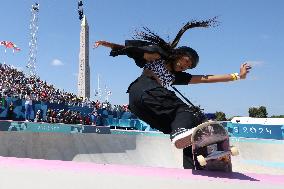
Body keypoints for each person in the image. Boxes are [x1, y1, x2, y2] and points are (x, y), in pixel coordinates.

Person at [94, 17, 252, 169]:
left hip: (142, 106)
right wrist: (107, 44)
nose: (186, 66)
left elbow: (206, 78)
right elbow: (131, 50)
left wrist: (237, 76)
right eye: (186, 61)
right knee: (187, 112)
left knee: (191, 128)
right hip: (144, 90)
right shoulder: (157, 56)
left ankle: (195, 165)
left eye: (189, 66)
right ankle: (179, 133)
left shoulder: (177, 77)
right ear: (179, 54)